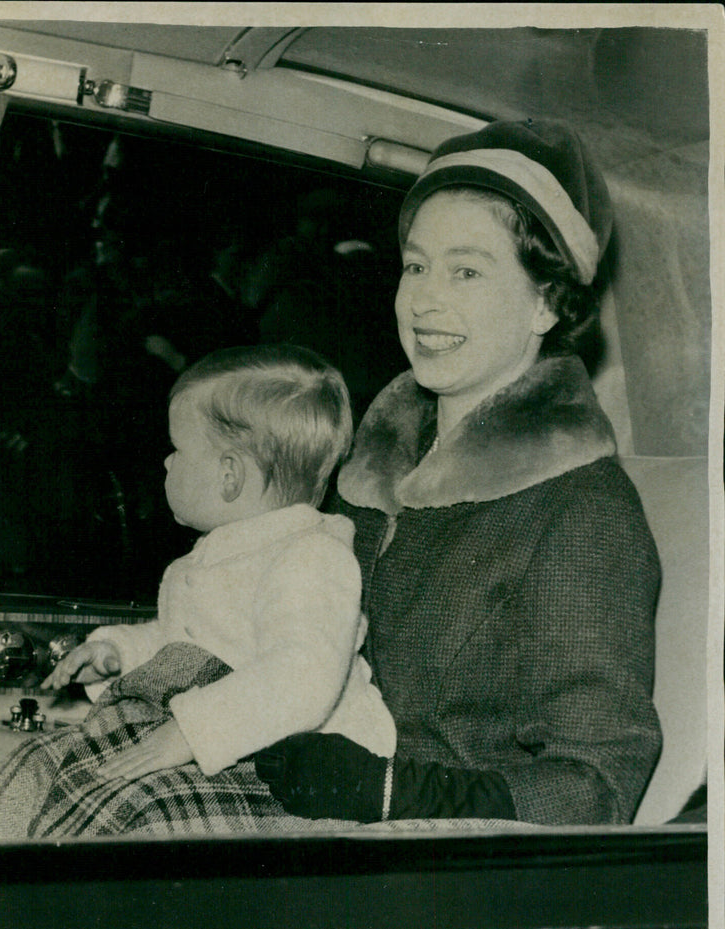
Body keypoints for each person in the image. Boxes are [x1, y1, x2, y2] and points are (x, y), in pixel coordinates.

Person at [254, 120, 663, 826]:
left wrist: (395, 792)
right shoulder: (366, 477)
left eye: (466, 271)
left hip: (435, 871)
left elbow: (597, 783)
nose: (423, 300)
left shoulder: (581, 508)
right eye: (415, 266)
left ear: (547, 303)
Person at [41, 344, 396, 778]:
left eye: (178, 448)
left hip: (309, 771)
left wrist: (193, 733)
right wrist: (120, 652)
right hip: (237, 751)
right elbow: (197, 645)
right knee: (55, 767)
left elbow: (301, 678)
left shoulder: (312, 556)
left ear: (230, 475)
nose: (167, 461)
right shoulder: (227, 553)